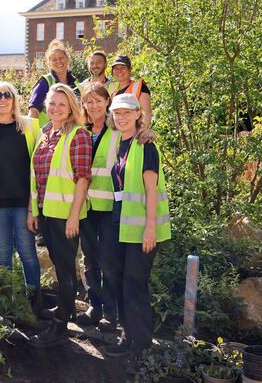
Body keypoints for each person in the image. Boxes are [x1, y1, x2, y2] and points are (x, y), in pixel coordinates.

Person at [77, 82, 156, 332]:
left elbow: (138, 138)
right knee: (90, 260)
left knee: (110, 262)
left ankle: (111, 313)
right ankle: (95, 305)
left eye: (98, 100)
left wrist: (148, 131)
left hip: (112, 208)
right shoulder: (82, 131)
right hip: (87, 206)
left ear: (107, 103)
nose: (93, 105)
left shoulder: (118, 131)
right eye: (88, 101)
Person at [102, 93, 171, 367]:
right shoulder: (119, 143)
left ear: (137, 115)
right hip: (120, 225)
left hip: (142, 228)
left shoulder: (146, 145)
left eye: (126, 113)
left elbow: (151, 191)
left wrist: (150, 229)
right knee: (118, 281)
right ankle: (128, 336)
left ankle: (142, 348)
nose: (121, 118)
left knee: (135, 286)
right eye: (117, 113)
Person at [27, 83, 92, 347]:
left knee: (65, 271)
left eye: (62, 105)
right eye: (51, 103)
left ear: (71, 109)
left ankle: (60, 327)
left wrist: (74, 216)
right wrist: (34, 210)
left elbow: (82, 179)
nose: (55, 108)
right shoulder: (45, 133)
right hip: (46, 212)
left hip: (66, 215)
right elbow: (37, 177)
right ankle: (65, 310)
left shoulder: (78, 135)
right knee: (58, 264)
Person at [0, 81, 41, 304]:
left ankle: (33, 301)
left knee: (27, 252)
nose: (2, 99)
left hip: (24, 203)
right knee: (3, 254)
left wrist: (34, 207)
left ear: (14, 100)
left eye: (7, 95)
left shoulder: (31, 127)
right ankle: (7, 303)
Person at [28, 39, 81, 127]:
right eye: (54, 59)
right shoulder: (44, 82)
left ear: (68, 59)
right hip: (48, 134)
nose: (58, 61)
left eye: (61, 58)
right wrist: (31, 134)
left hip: (70, 132)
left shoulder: (76, 83)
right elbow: (34, 110)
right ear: (49, 63)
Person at [109, 55, 152, 128]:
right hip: (119, 134)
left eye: (123, 67)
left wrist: (140, 134)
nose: (119, 71)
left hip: (135, 133)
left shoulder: (139, 87)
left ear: (129, 69)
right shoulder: (113, 91)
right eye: (116, 68)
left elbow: (146, 114)